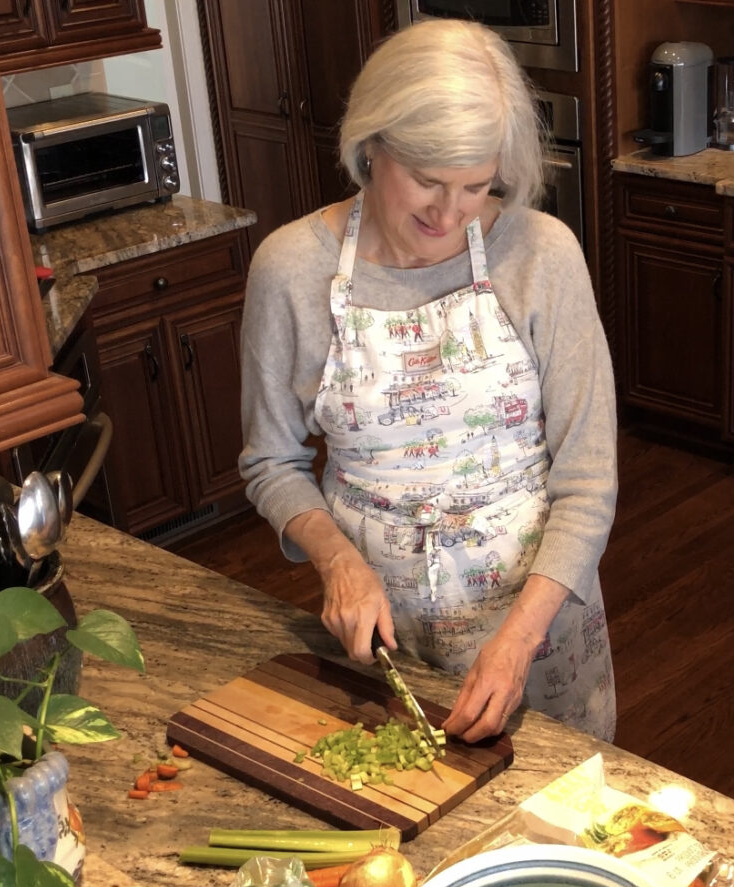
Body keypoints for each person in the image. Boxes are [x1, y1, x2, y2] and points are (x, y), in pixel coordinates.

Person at [238, 18, 618, 744]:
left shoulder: (542, 255)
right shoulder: (291, 270)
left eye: (476, 186)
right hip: (383, 635)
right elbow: (271, 462)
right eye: (425, 181)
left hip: (538, 625)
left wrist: (515, 644)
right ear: (370, 145)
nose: (448, 214)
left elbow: (588, 481)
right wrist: (338, 562)